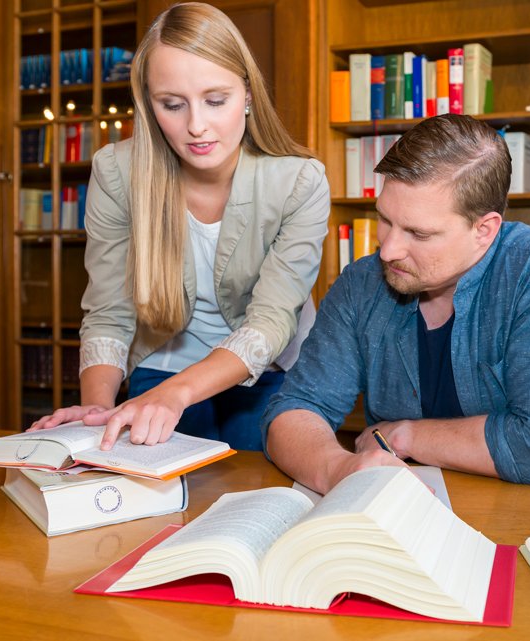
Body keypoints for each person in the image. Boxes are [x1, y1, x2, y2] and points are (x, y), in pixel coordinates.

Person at [29, 2, 329, 451]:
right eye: (172, 104)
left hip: (272, 367)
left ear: (247, 94)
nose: (196, 126)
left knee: (259, 487)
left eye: (215, 100)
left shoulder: (300, 180)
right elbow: (109, 313)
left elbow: (269, 322)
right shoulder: (117, 172)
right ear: (149, 105)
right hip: (163, 361)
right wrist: (97, 410)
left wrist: (175, 395)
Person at [262, 114, 530, 494]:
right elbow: (293, 409)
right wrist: (337, 469)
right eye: (384, 219)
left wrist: (406, 435)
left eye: (418, 233)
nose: (389, 249)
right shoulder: (362, 284)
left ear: (484, 230)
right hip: (407, 512)